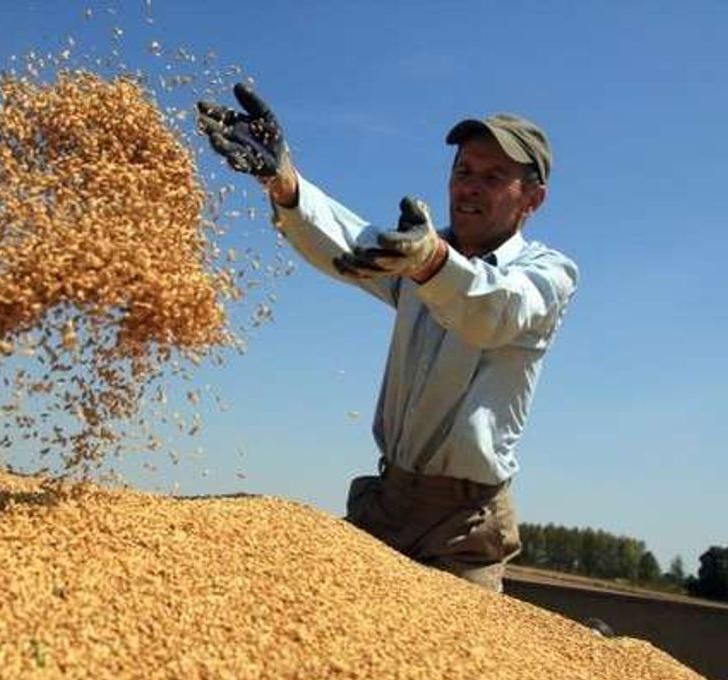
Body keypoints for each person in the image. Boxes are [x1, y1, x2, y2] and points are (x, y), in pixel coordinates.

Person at [196, 83, 578, 592]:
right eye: (463, 172)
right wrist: (284, 183)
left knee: (457, 665)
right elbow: (352, 245)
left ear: (532, 199)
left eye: (493, 177)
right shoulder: (417, 251)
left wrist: (429, 263)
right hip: (387, 503)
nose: (470, 187)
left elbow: (493, 312)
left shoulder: (547, 274)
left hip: (465, 526)